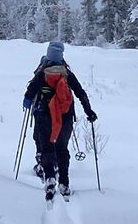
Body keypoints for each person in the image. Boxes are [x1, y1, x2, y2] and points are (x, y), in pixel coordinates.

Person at [22, 41, 97, 199]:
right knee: (62, 149)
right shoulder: (67, 74)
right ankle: (64, 182)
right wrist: (89, 111)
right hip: (65, 116)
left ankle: (49, 179)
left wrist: (27, 103)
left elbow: (29, 93)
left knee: (47, 148)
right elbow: (80, 93)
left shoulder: (42, 74)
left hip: (43, 115)